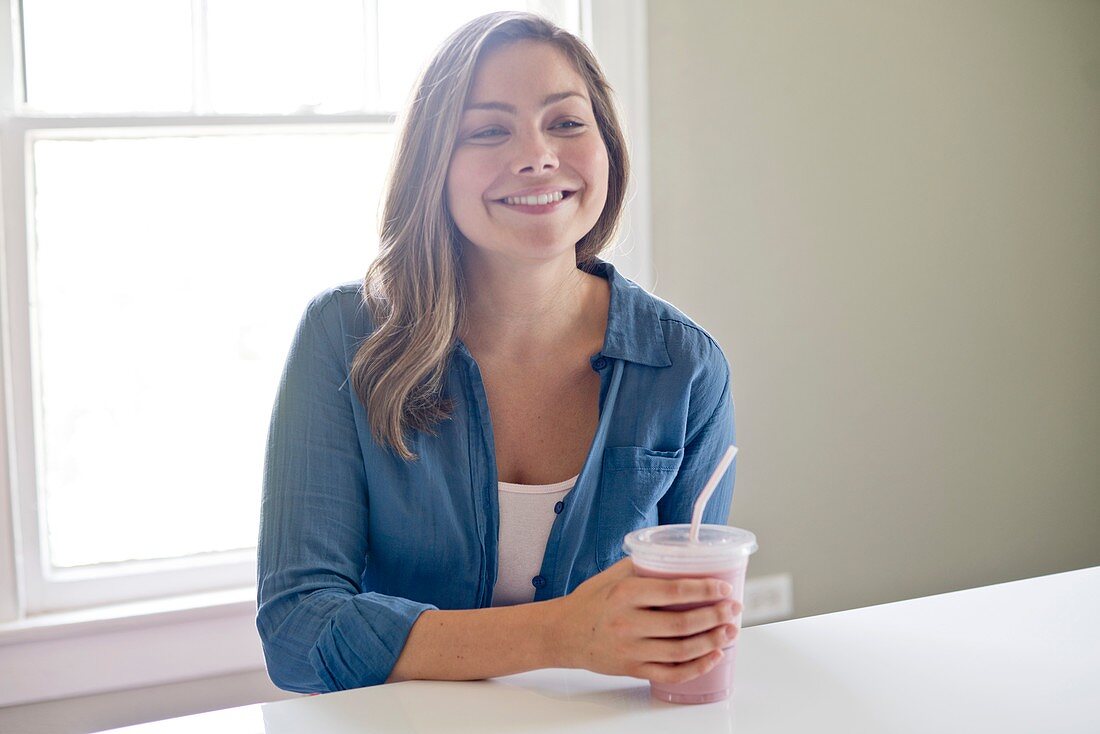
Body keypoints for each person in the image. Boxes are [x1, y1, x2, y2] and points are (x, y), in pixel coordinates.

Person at [256, 11, 738, 694]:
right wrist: (563, 632)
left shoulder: (687, 368)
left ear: (608, 148)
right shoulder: (343, 338)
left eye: (567, 123)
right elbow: (297, 632)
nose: (538, 155)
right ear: (434, 167)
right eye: (488, 130)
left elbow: (689, 627)